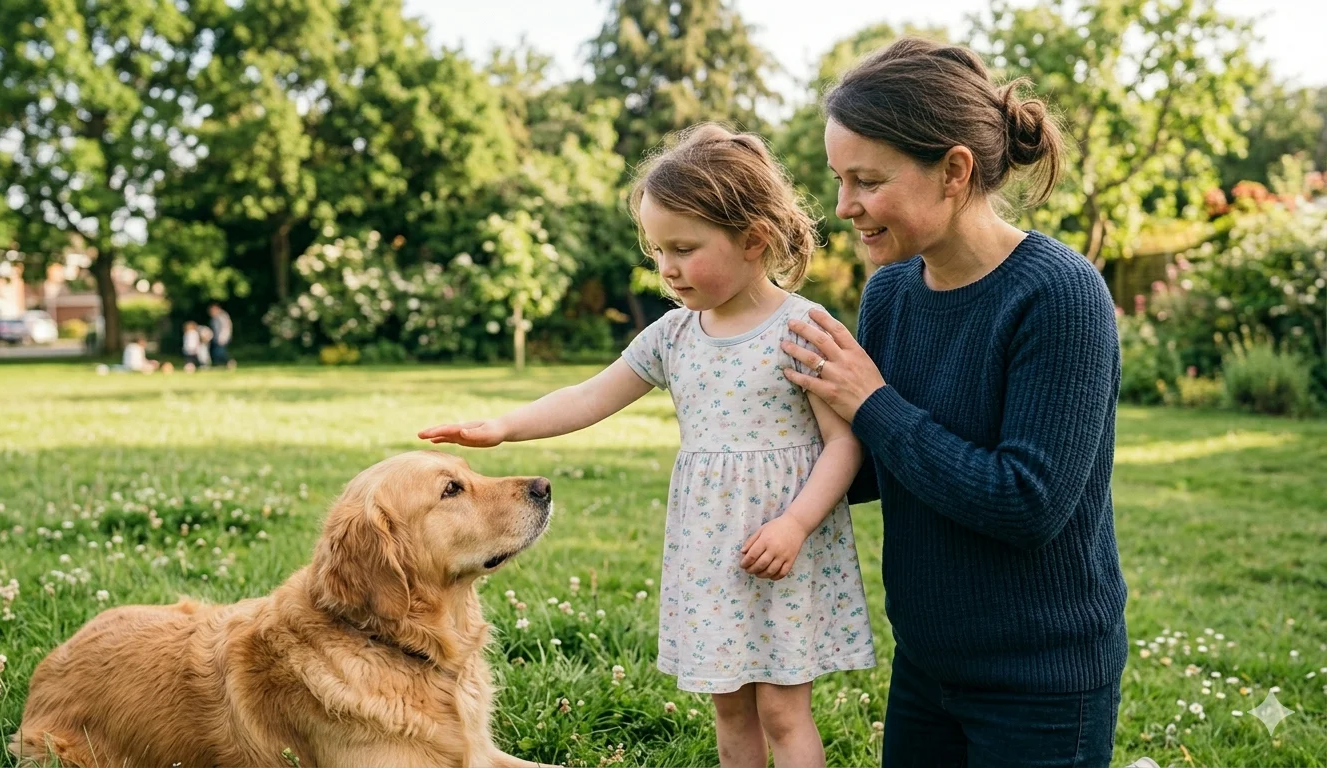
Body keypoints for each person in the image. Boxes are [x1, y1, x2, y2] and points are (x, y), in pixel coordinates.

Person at [419, 124, 875, 768]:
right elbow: (590, 395)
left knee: (781, 709)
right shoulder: (673, 335)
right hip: (713, 548)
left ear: (754, 241)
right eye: (658, 250)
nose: (667, 268)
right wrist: (502, 428)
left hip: (785, 547)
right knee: (728, 704)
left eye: (685, 248)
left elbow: (844, 443)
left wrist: (796, 525)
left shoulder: (802, 329)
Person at [782, 38, 1127, 768]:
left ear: (954, 171)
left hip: (1042, 681)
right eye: (840, 180)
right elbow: (879, 469)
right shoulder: (892, 293)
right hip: (927, 667)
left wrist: (870, 401)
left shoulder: (1059, 294)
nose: (844, 207)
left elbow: (1027, 502)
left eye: (866, 181)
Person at [208, 303, 234, 369]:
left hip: (222, 337)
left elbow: (225, 328)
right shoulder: (215, 318)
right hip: (217, 337)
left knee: (220, 352)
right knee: (217, 351)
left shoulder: (222, 317)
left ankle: (230, 362)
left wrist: (222, 337)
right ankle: (223, 364)